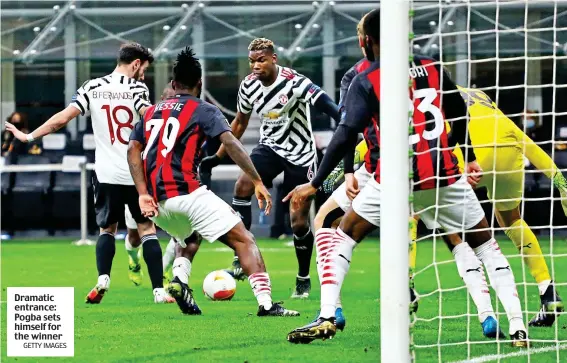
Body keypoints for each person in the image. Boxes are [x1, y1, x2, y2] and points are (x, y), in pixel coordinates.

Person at [284, 10, 528, 347]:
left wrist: (315, 182)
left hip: (394, 178)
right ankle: (517, 326)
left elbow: (344, 133)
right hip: (444, 176)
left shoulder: (364, 77)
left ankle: (328, 312)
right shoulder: (431, 66)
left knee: (344, 233)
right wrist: (469, 156)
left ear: (366, 40)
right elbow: (458, 112)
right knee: (486, 246)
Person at [127, 46, 300, 317]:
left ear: (173, 84)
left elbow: (132, 150)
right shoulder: (204, 109)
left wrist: (141, 193)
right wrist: (256, 180)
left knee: (189, 236)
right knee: (244, 239)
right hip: (186, 193)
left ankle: (180, 282)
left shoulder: (151, 112)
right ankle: (266, 304)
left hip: (156, 204)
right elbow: (231, 142)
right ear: (200, 83)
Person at [6, 43, 173, 304]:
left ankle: (102, 279)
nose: (144, 75)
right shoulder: (137, 88)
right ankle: (158, 292)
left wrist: (28, 136)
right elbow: (147, 116)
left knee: (107, 229)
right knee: (146, 229)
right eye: (144, 69)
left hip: (105, 172)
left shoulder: (92, 87)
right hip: (135, 172)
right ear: (137, 64)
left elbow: (62, 119)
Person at [199, 38, 341, 298]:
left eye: (261, 60)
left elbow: (329, 107)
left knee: (298, 222)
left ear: (273, 59)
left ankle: (303, 277)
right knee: (242, 186)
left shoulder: (296, 82)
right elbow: (239, 124)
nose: (255, 66)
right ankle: (241, 257)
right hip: (270, 147)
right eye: (252, 61)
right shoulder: (248, 86)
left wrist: (347, 127)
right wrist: (217, 157)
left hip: (300, 154)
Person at [123, 82, 180, 287]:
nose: (176, 106)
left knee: (183, 233)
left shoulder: (185, 124)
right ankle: (134, 260)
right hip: (143, 189)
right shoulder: (147, 122)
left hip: (171, 187)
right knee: (135, 237)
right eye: (172, 101)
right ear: (162, 102)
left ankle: (165, 272)